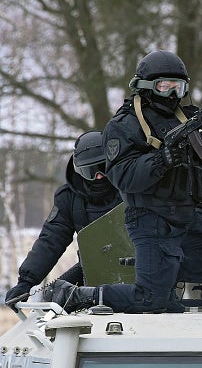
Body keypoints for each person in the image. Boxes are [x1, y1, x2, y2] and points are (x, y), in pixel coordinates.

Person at [42, 50, 202, 314]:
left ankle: (163, 277)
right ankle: (81, 295)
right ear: (147, 87)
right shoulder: (124, 126)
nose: (173, 95)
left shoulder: (183, 120)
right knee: (150, 299)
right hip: (150, 219)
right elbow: (124, 176)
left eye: (179, 87)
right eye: (165, 87)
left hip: (187, 215)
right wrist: (161, 160)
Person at [4, 131, 122, 312]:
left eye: (103, 167)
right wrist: (27, 281)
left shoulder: (133, 189)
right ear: (79, 170)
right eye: (91, 171)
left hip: (142, 265)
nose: (99, 176)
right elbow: (51, 238)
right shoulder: (69, 198)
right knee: (54, 299)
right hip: (92, 269)